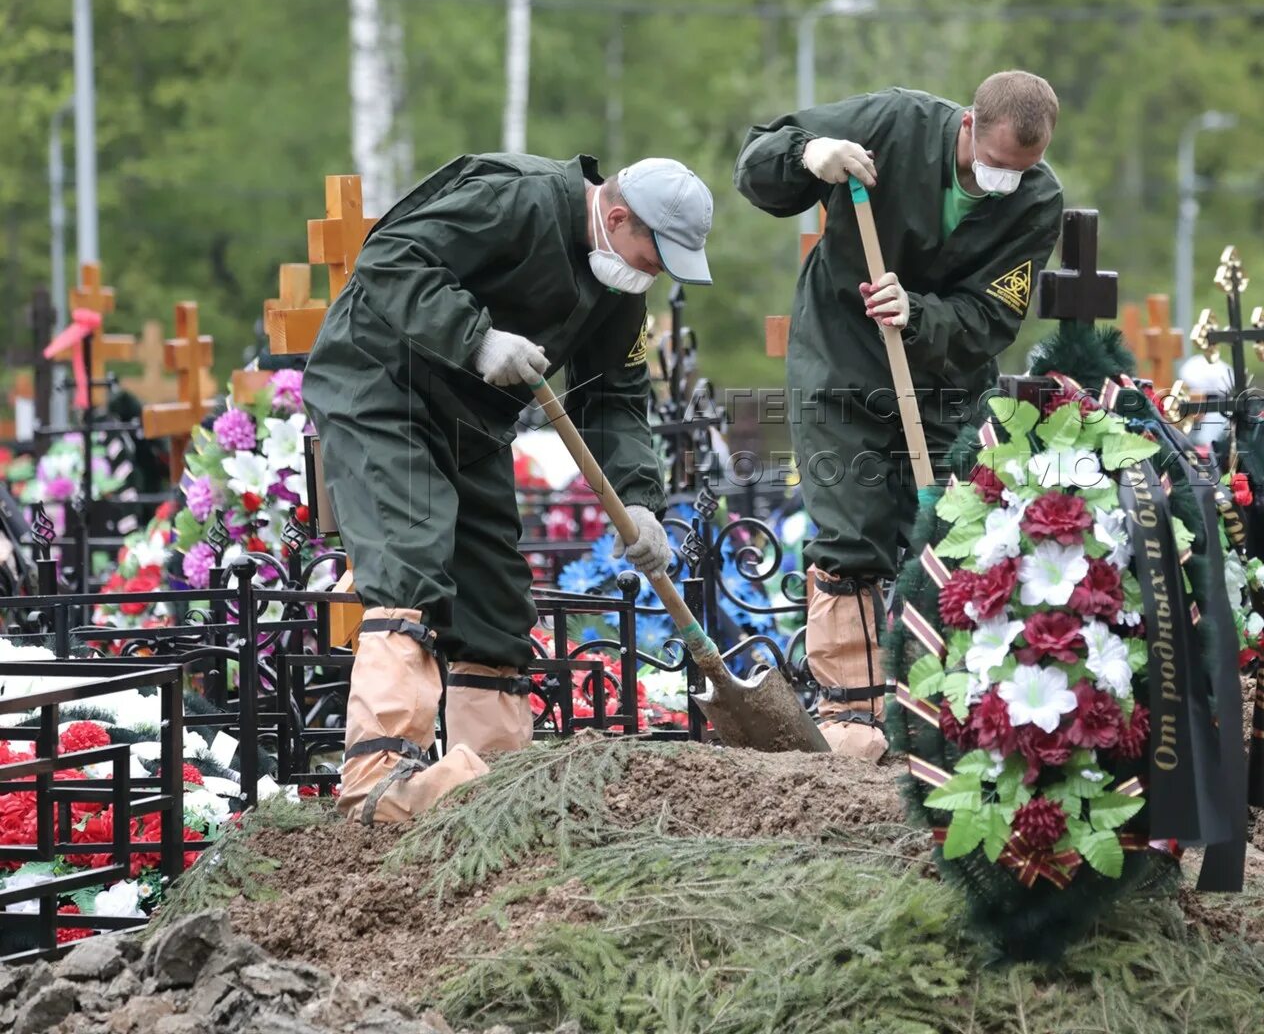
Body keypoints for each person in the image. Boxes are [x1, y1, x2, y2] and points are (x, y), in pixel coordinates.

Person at [304, 153, 713, 824]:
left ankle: (496, 783)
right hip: (382, 384)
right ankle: (378, 777)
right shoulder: (515, 201)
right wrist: (476, 339)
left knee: (493, 594)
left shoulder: (620, 289)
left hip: (470, 416)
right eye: (655, 253)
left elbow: (615, 397)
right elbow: (392, 260)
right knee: (410, 559)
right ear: (615, 217)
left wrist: (639, 499)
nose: (655, 271)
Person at [734, 73, 1064, 760]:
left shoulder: (1037, 200)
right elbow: (758, 159)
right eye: (996, 164)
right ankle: (854, 718)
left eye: (1020, 171)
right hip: (841, 362)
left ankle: (948, 705)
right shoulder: (890, 124)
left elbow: (995, 315)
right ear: (969, 124)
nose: (1004, 180)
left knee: (955, 531)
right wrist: (808, 156)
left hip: (943, 378)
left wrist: (920, 312)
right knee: (852, 531)